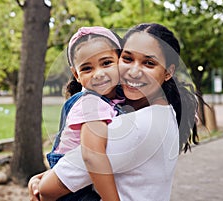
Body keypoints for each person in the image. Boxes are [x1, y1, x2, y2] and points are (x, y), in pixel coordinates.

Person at [28, 23, 198, 201]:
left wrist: (41, 181)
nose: (133, 72)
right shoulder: (165, 112)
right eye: (127, 59)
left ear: (168, 72)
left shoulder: (133, 127)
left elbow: (46, 190)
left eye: (149, 63)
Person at [40, 26, 125, 201]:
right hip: (74, 190)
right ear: (76, 75)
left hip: (75, 181)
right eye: (87, 68)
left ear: (120, 61)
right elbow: (92, 157)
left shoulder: (111, 100)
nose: (98, 74)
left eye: (106, 63)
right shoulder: (92, 103)